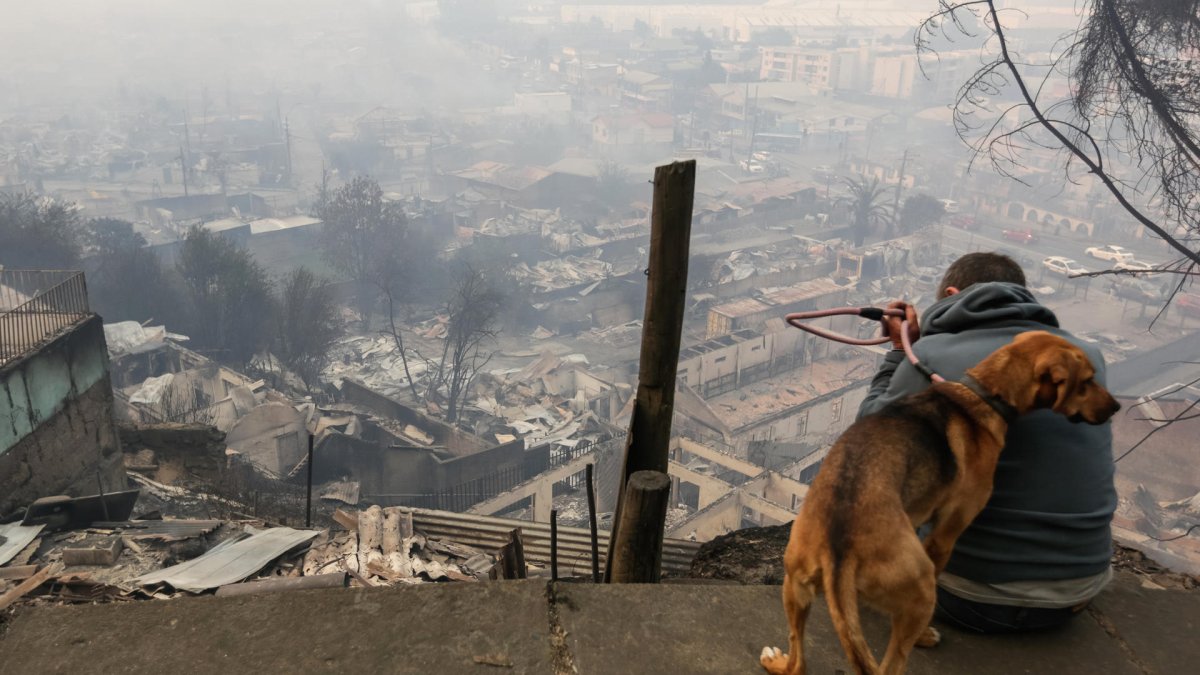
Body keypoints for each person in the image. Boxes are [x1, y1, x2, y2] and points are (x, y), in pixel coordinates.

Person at [859, 251, 1116, 634]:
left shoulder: (933, 357)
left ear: (951, 294)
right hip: (1081, 590)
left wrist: (900, 352)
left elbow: (868, 440)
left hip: (971, 596)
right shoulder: (1085, 356)